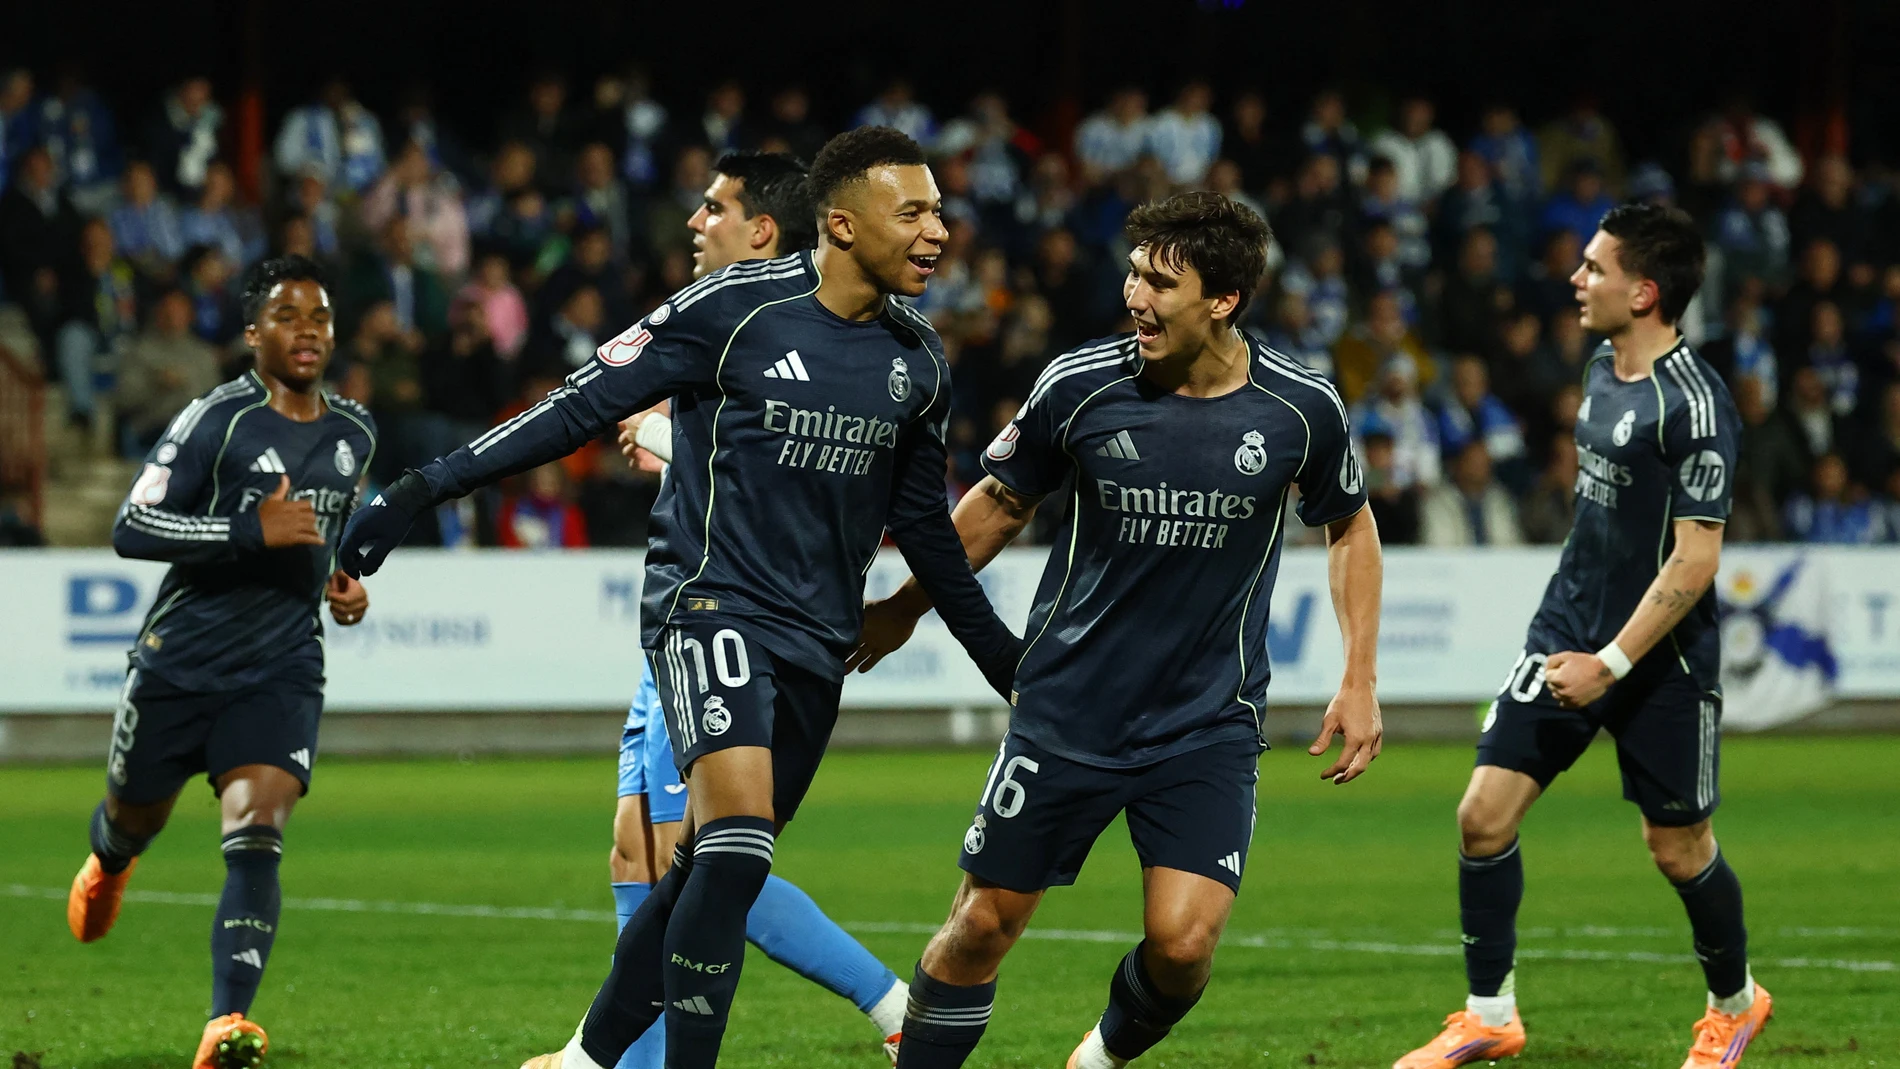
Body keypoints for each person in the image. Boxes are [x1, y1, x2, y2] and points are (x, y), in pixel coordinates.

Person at [337, 128, 1021, 1069]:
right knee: (733, 848)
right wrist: (419, 490)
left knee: (701, 869)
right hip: (711, 607)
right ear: (841, 224)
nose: (939, 231)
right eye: (914, 212)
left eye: (939, 211)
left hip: (817, 641)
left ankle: (588, 1059)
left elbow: (928, 533)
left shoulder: (920, 360)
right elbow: (577, 407)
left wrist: (1007, 664)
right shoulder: (731, 308)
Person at [851, 191, 1386, 1069]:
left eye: (1160, 283)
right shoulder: (1079, 384)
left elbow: (1350, 526)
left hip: (1205, 720)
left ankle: (1095, 1059)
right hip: (1068, 709)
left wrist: (1359, 677)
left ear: (1224, 300)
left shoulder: (1300, 407)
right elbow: (1000, 502)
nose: (1135, 296)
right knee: (981, 924)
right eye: (1134, 274)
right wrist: (905, 606)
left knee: (1183, 945)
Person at [1394, 204, 1766, 1068]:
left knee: (1678, 848)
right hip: (1567, 630)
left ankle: (1735, 1004)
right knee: (1482, 815)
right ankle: (1489, 1014)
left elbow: (1696, 559)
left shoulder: (1696, 405)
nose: (1576, 278)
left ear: (1644, 292)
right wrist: (1577, 631)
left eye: (1595, 267)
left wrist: (1613, 662)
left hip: (1660, 659)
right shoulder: (1600, 368)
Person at [601, 151, 917, 1069]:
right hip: (680, 620)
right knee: (636, 851)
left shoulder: (795, 329)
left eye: (715, 208)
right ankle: (630, 1059)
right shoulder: (715, 321)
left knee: (704, 852)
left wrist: (660, 434)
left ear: (763, 229)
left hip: (728, 624)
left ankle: (893, 1003)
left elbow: (793, 480)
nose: (695, 223)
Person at [65, 255, 377, 1069]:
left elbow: (328, 532)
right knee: (134, 819)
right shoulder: (217, 420)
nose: (307, 330)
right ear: (251, 334)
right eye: (287, 315)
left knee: (258, 828)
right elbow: (133, 527)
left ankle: (226, 1022)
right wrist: (248, 531)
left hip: (281, 664)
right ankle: (110, 859)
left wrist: (341, 579)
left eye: (319, 316)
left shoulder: (355, 431)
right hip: (180, 663)